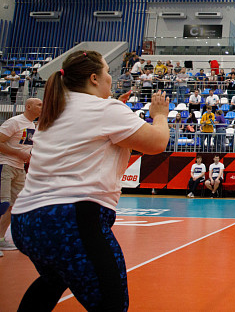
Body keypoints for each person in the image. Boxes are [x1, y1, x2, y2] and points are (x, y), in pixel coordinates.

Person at [11, 50, 169, 311]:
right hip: (71, 218)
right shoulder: (106, 110)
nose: (110, 77)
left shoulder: (54, 111)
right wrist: (160, 114)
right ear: (94, 78)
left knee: (54, 279)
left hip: (26, 221)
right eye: (107, 72)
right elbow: (158, 142)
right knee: (112, 305)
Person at [0, 98, 42, 252]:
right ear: (28, 106)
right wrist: (18, 153)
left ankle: (1, 238)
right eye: (39, 104)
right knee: (3, 204)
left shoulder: (31, 125)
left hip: (19, 168)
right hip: (5, 165)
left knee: (15, 205)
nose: (42, 107)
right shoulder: (14, 122)